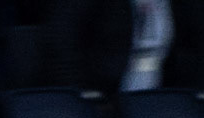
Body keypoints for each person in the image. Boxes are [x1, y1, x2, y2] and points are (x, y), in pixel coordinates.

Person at [42, 0, 204, 91]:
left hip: (165, 100)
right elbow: (62, 45)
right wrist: (85, 98)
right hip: (105, 95)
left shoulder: (183, 6)